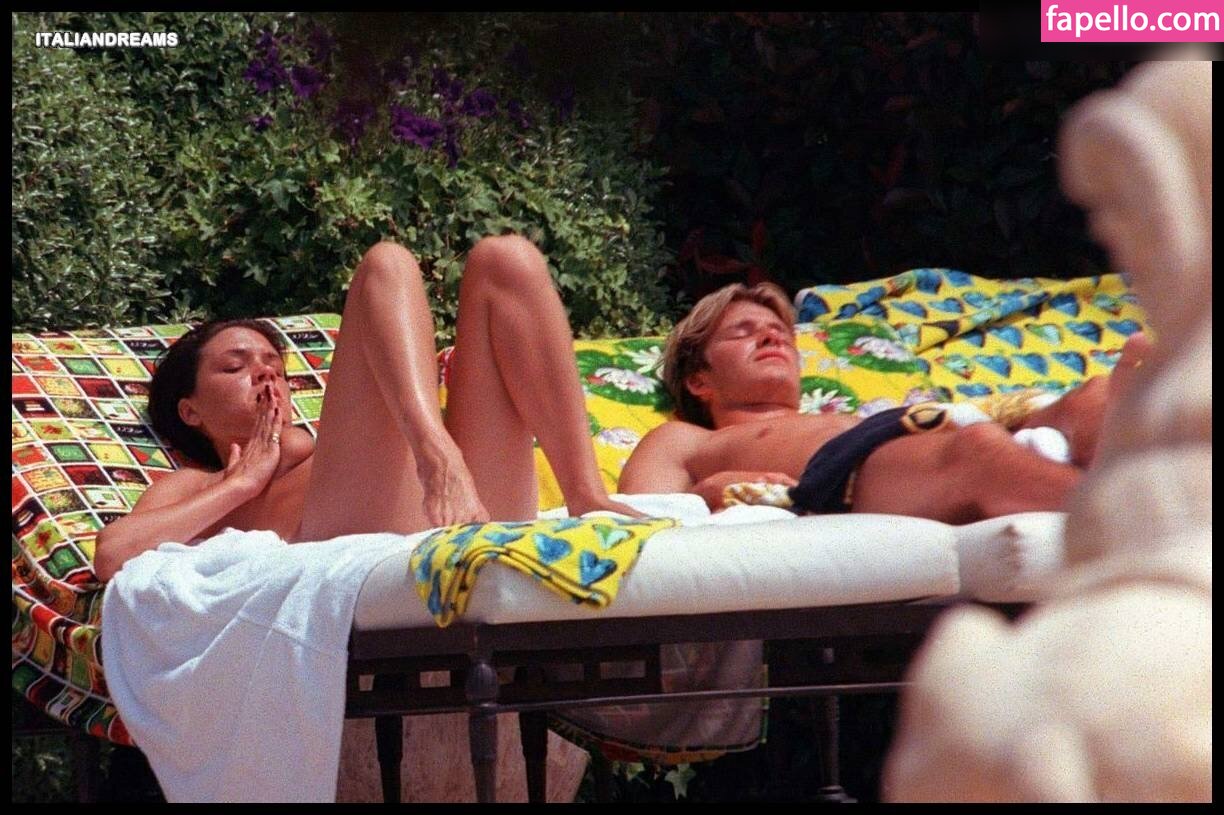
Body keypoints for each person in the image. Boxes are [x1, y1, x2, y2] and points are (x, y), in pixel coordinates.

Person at [94, 236, 637, 581]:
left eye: (273, 363)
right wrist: (242, 484)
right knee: (387, 263)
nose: (264, 372)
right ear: (190, 411)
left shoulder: (327, 449)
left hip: (466, 506)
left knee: (506, 259)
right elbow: (113, 555)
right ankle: (436, 454)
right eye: (235, 367)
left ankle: (584, 493)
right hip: (365, 537)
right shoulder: (194, 484)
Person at [619, 282, 1150, 524]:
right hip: (840, 473)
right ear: (699, 381)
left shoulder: (828, 416)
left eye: (781, 332)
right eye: (744, 332)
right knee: (979, 452)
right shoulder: (684, 439)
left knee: (1089, 398)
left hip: (913, 426)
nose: (772, 336)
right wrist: (709, 491)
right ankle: (1146, 519)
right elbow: (641, 522)